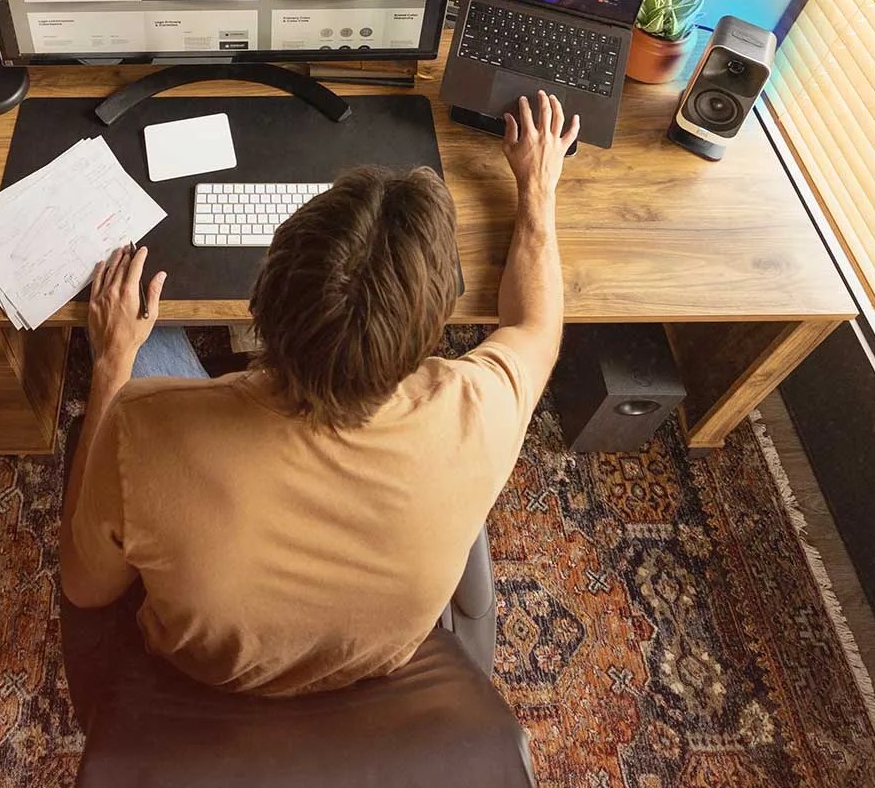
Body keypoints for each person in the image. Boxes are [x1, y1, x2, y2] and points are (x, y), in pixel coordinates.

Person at [60, 90, 575, 705]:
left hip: (204, 674)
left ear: (263, 301)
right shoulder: (479, 409)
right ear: (432, 332)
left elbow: (84, 589)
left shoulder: (141, 429)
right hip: (374, 664)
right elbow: (537, 326)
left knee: (140, 344)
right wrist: (537, 191)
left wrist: (112, 363)